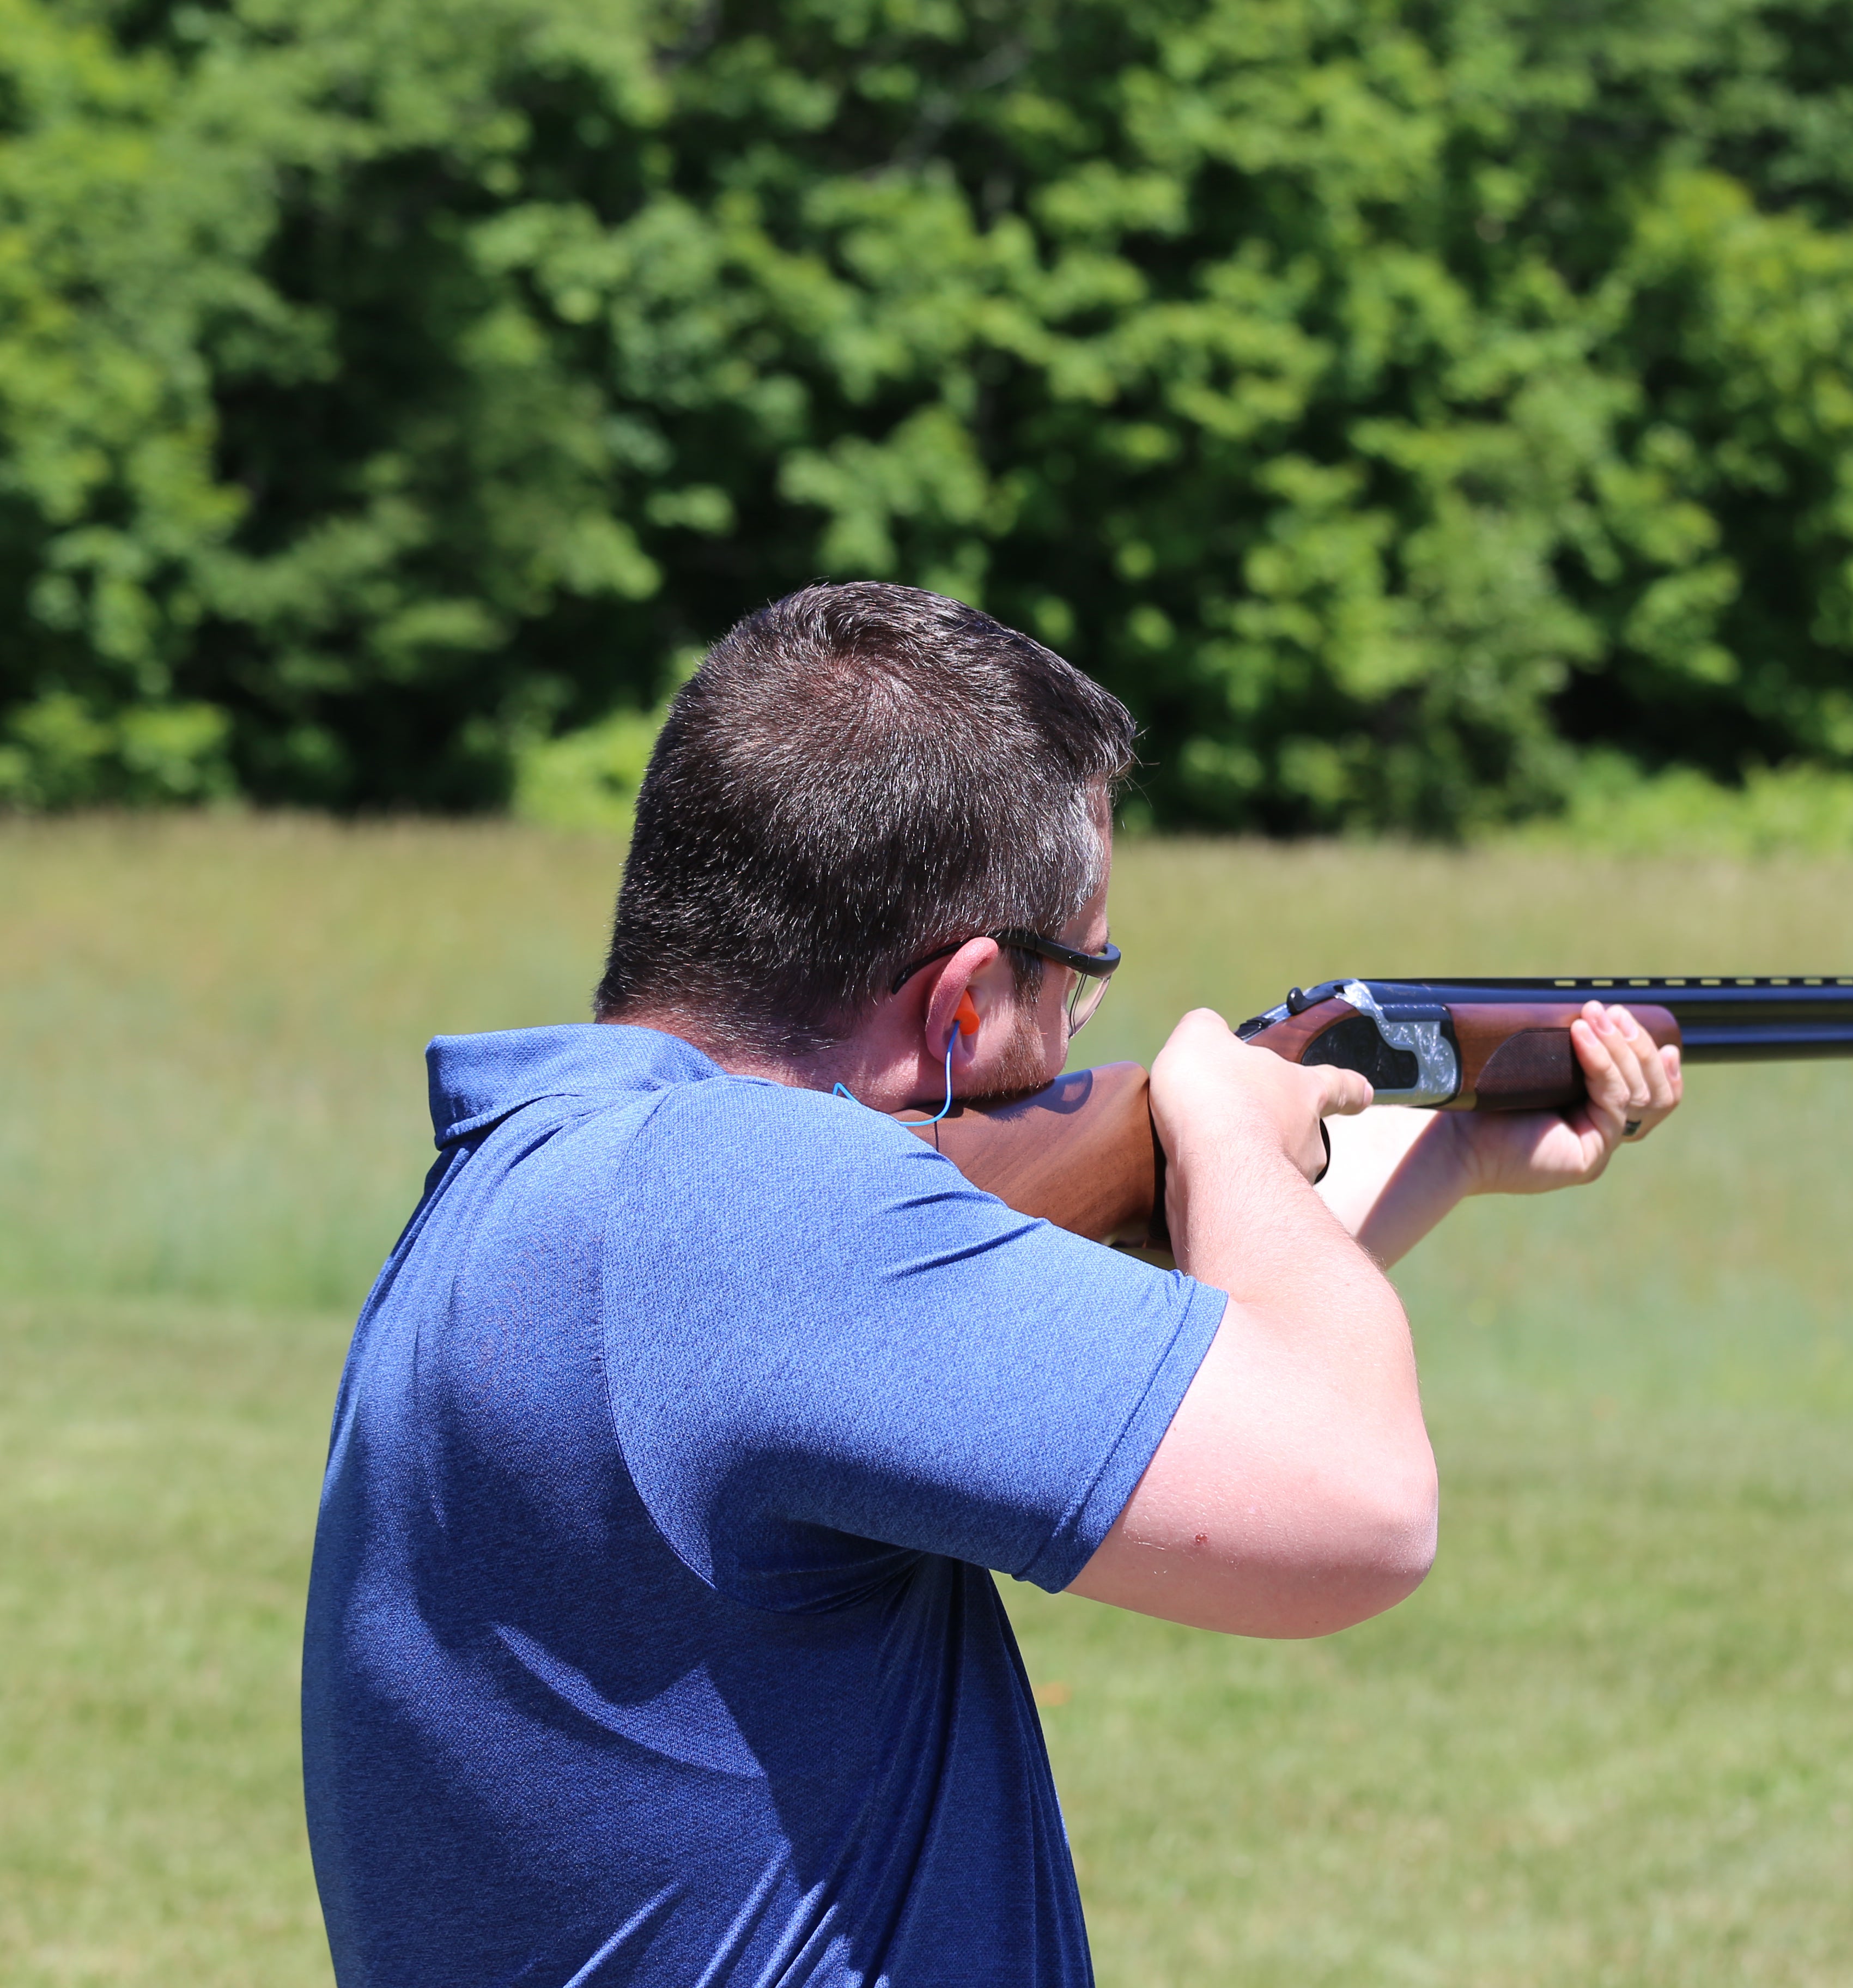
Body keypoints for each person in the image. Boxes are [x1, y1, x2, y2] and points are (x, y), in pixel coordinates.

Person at [299, 581, 1681, 1986]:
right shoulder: (757, 1208)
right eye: (1081, 978)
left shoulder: (565, 1186)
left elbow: (1157, 1379)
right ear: (960, 1002)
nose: (1089, 1027)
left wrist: (1451, 1151)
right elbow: (1360, 1509)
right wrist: (1215, 1123)